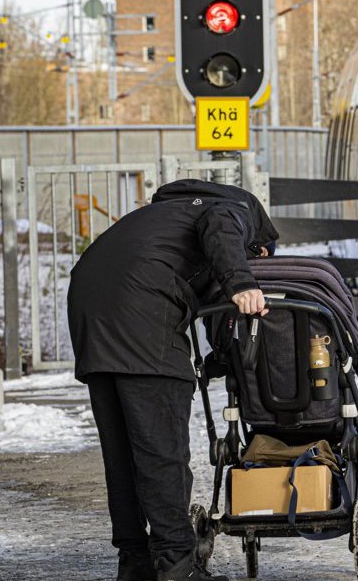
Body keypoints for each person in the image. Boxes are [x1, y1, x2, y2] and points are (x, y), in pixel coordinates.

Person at [68, 179, 279, 581]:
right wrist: (243, 282)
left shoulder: (161, 215)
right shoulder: (232, 208)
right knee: (159, 450)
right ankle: (177, 566)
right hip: (141, 308)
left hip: (89, 303)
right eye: (258, 253)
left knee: (123, 453)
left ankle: (134, 563)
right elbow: (222, 229)